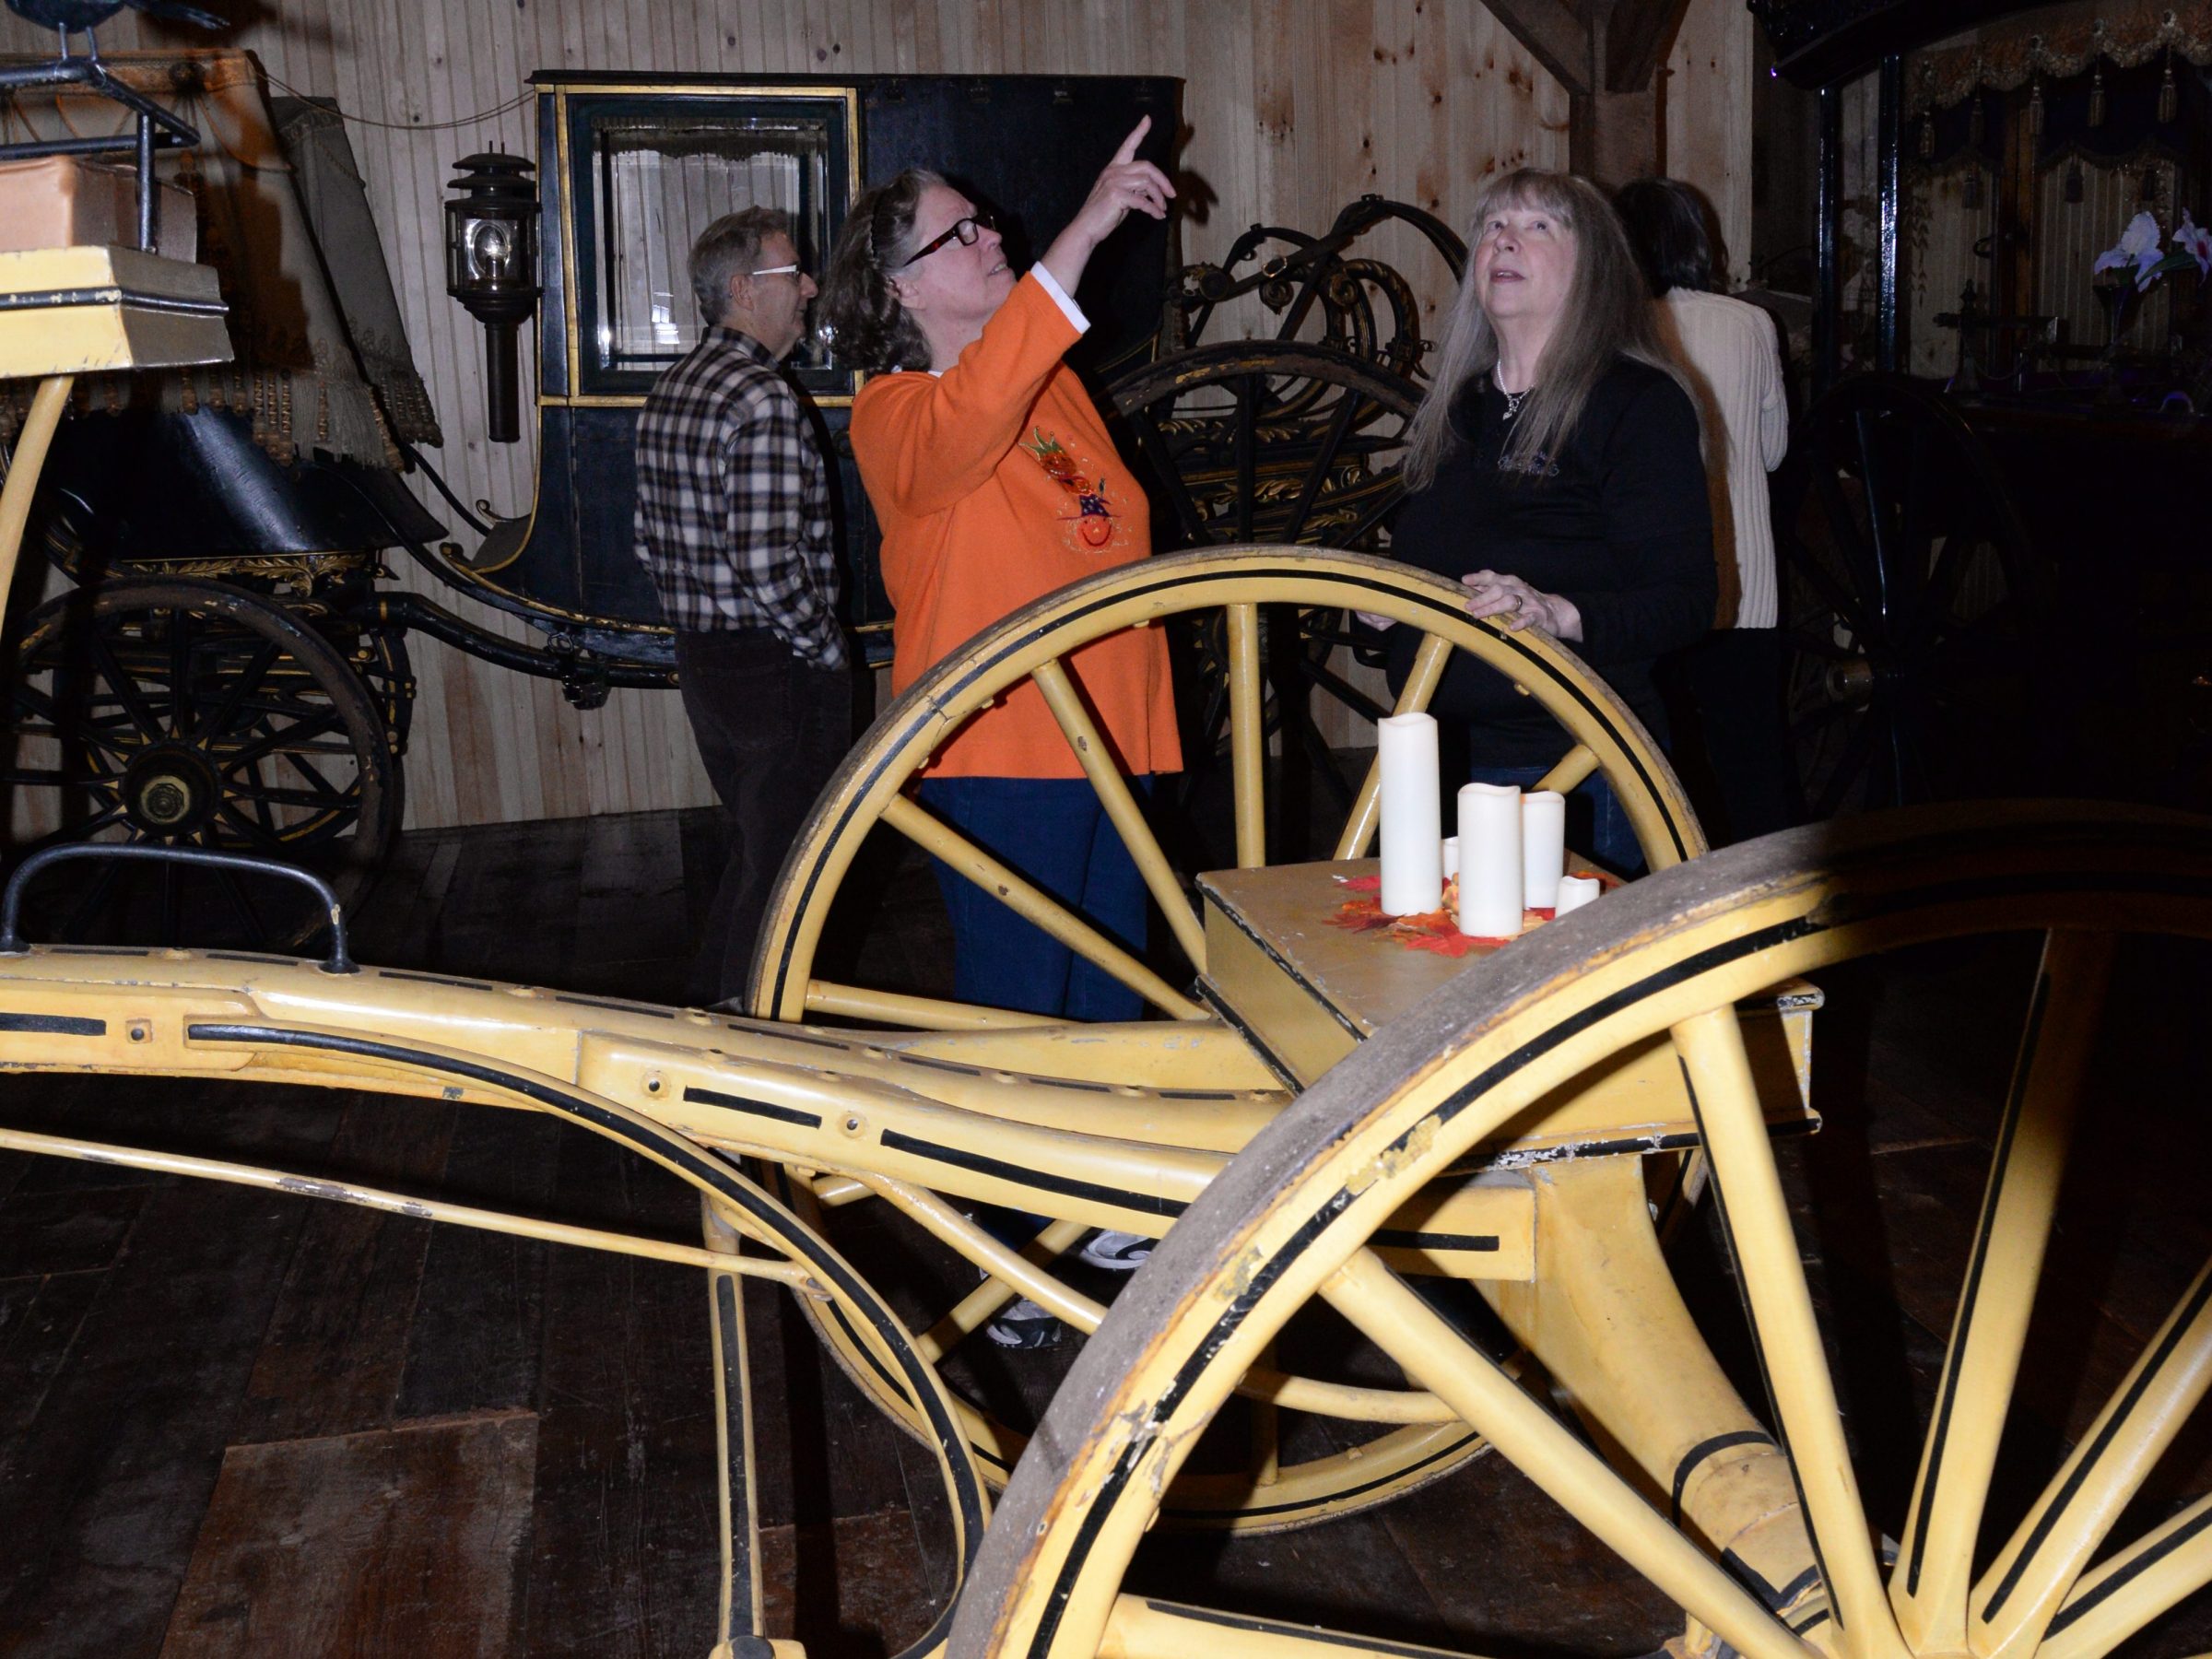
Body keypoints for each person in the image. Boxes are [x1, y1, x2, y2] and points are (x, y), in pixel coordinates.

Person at [818, 121, 1180, 1347]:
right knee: (1023, 1007)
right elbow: (971, 426)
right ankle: (1012, 1247)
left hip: (1112, 738)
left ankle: (1109, 1207)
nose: (994, 241)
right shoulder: (895, 411)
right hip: (1003, 744)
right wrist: (1077, 238)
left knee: (1111, 988)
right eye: (961, 232)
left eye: (995, 225)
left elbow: (1107, 534)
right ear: (899, 286)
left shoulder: (1051, 381)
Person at [1374, 169, 1716, 875]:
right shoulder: (1461, 407)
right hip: (1454, 764)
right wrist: (1383, 611)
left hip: (1587, 771)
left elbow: (1685, 602)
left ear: (1592, 267)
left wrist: (1559, 613)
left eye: (1537, 226)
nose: (1505, 239)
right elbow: (1425, 557)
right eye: (1493, 225)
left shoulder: (1637, 404)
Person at [634, 207, 852, 1009]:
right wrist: (824, 649)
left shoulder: (673, 389)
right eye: (791, 274)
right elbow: (766, 563)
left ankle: (709, 1016)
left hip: (705, 662)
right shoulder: (761, 400)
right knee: (791, 869)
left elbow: (647, 542)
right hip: (774, 668)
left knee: (759, 855)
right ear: (740, 290)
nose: (809, 287)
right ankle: (750, 1059)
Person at [1614, 176, 1793, 842]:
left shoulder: (1619, 328)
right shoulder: (1752, 323)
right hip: (1748, 590)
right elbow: (1773, 452)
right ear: (1699, 242)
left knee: (1664, 771)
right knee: (1756, 765)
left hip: (1654, 587)